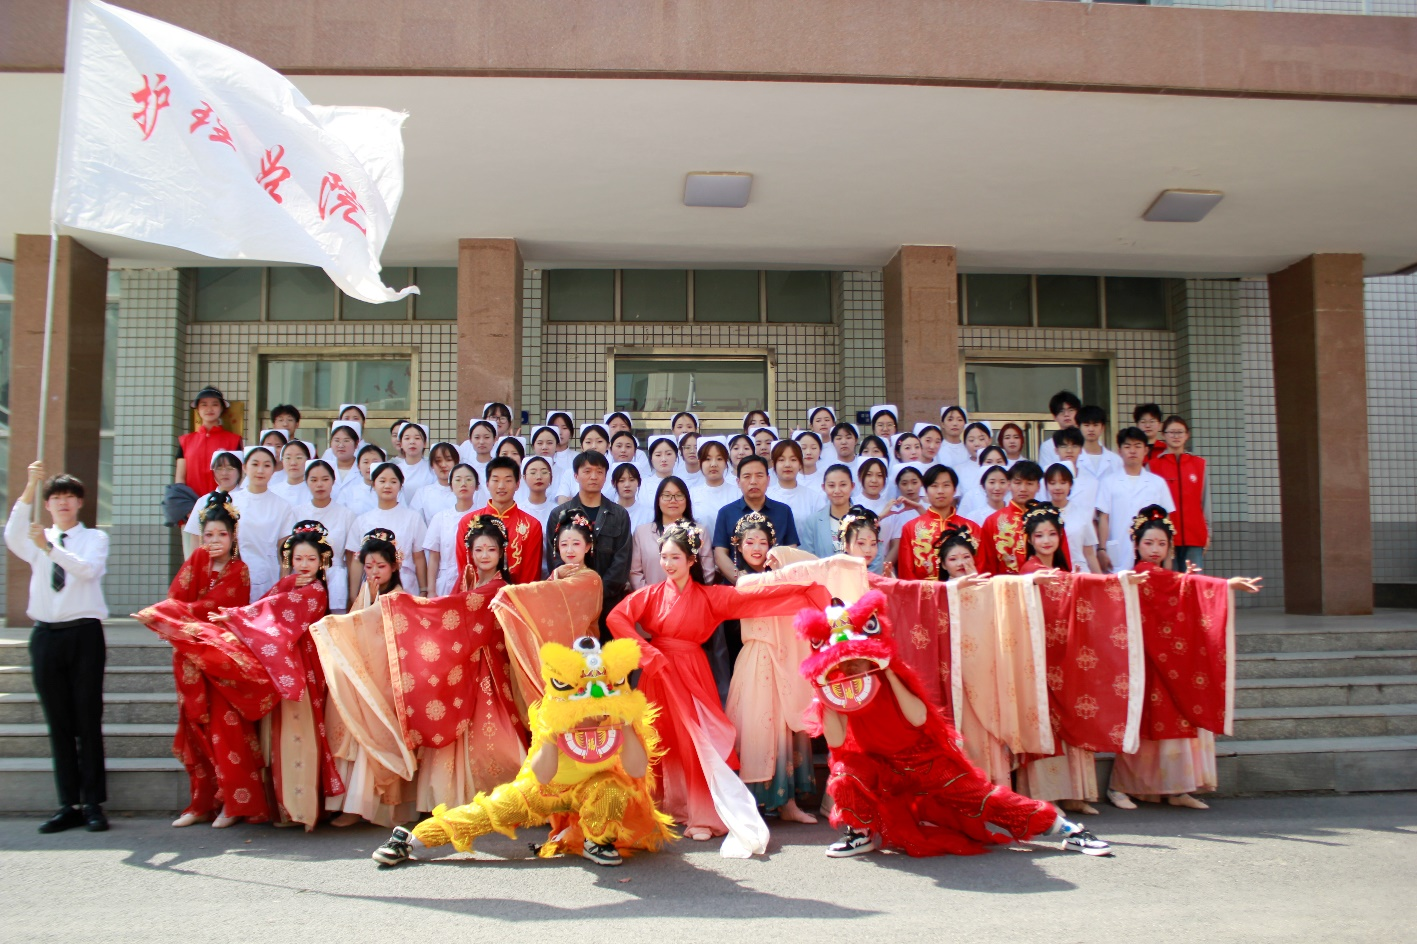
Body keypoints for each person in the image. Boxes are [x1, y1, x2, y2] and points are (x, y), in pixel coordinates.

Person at [798, 592, 1110, 859]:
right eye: (844, 662)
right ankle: (859, 833)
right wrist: (825, 690)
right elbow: (836, 742)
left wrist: (888, 670)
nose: (851, 666)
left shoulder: (892, 675)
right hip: (878, 765)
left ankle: (1067, 830)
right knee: (845, 774)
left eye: (856, 659)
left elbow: (918, 718)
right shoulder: (838, 692)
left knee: (982, 797)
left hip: (924, 759)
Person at [607, 520, 831, 852]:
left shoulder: (709, 597)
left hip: (691, 671)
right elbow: (616, 617)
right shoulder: (650, 595)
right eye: (664, 557)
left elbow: (754, 599)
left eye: (675, 557)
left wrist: (804, 591)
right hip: (658, 670)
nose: (668, 564)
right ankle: (658, 806)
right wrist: (647, 653)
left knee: (697, 741)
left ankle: (702, 814)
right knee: (656, 737)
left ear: (691, 560)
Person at [371, 635, 674, 869]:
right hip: (543, 788)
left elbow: (636, 771)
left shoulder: (619, 716)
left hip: (592, 787)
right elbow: (543, 775)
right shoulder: (553, 711)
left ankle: (597, 841)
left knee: (613, 789)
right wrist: (554, 733)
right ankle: (411, 839)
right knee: (488, 813)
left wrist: (625, 724)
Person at [139, 520, 344, 830]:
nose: (304, 565)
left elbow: (272, 610)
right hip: (273, 661)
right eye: (298, 558)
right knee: (278, 739)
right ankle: (278, 808)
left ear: (322, 561)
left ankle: (303, 810)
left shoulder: (314, 591)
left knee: (300, 737)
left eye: (311, 559)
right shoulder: (286, 584)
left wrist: (233, 615)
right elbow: (268, 603)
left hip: (298, 666)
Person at [1108, 506, 1261, 811]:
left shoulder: (1163, 575)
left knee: (1174, 721)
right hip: (1147, 659)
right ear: (1136, 545)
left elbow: (1178, 590)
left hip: (1169, 656)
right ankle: (1121, 785)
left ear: (1170, 547)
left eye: (1161, 543)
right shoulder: (1139, 574)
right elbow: (1177, 588)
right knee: (1147, 723)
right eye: (1148, 543)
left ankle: (1177, 788)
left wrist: (1188, 585)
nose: (1154, 549)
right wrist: (1224, 585)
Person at [5, 463, 110, 834]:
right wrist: (30, 486)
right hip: (47, 637)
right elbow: (12, 533)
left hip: (84, 635)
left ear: (79, 502)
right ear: (48, 505)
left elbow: (87, 570)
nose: (63, 503)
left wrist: (49, 549)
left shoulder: (94, 538)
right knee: (59, 721)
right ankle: (69, 804)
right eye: (56, 498)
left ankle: (93, 803)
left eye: (69, 497)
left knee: (87, 719)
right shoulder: (37, 538)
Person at [136, 492, 253, 827]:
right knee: (194, 729)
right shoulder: (196, 563)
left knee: (225, 731)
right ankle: (200, 802)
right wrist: (168, 613)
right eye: (209, 535)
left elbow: (212, 608)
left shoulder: (240, 571)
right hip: (189, 656)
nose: (214, 541)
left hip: (220, 658)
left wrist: (165, 614)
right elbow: (176, 596)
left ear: (233, 536)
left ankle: (233, 803)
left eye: (222, 534)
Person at [546, 450, 634, 638]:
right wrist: (577, 589)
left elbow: (622, 560)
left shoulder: (619, 514)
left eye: (599, 472)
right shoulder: (559, 514)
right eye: (587, 471)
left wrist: (597, 591)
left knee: (610, 653)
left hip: (609, 602)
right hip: (570, 601)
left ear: (605, 477)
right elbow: (554, 557)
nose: (593, 476)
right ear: (576, 476)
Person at [452, 455, 543, 586]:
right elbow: (465, 570)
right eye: (495, 480)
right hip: (476, 595)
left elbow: (530, 577)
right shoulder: (468, 522)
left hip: (515, 596)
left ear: (517, 484)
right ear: (487, 484)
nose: (501, 486)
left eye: (508, 480)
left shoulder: (531, 525)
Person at [713, 455, 800, 585]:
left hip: (776, 586)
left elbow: (791, 550)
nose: (753, 481)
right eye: (747, 476)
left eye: (759, 476)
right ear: (738, 481)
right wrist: (742, 580)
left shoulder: (783, 511)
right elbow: (720, 554)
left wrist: (773, 580)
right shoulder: (726, 513)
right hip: (737, 587)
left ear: (768, 480)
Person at [1100, 428, 1176, 573]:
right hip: (1118, 548)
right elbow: (1104, 517)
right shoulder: (1108, 482)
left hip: (1151, 550)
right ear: (1119, 451)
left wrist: (1168, 557)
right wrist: (1102, 549)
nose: (1132, 451)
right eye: (1127, 446)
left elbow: (1167, 522)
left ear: (1146, 450)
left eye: (1137, 446)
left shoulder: (1158, 483)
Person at [349, 461, 428, 599]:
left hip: (406, 586)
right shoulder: (362, 521)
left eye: (393, 481)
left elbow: (419, 557)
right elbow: (356, 561)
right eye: (382, 481)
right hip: (371, 587)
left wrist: (423, 589)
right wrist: (353, 595)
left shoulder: (413, 518)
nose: (387, 486)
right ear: (374, 484)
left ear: (400, 485)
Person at [294, 459, 359, 612]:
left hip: (335, 579)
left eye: (325, 479)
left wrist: (352, 593)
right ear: (306, 482)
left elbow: (351, 557)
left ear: (333, 481)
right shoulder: (297, 513)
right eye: (314, 480)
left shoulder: (346, 515)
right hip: (303, 578)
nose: (319, 485)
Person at [896, 465, 979, 581]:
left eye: (946, 485)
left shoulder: (972, 528)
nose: (940, 491)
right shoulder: (911, 528)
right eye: (934, 486)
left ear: (954, 490)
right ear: (926, 491)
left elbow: (981, 567)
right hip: (924, 591)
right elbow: (906, 573)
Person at [631, 477, 716, 589]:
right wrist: (651, 596)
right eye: (667, 495)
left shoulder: (699, 531)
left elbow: (707, 571)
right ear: (658, 500)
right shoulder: (641, 533)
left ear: (686, 500)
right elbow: (635, 573)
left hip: (690, 596)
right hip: (651, 597)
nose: (673, 500)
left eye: (679, 495)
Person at [1151, 415, 1210, 572]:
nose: (1176, 436)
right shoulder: (1154, 465)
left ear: (1187, 435)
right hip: (1165, 537)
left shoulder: (1199, 464)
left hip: (1195, 536)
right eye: (1171, 432)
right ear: (1163, 435)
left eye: (1180, 432)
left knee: (1194, 581)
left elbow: (1205, 501)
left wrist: (1208, 532)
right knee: (1170, 581)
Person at [175, 385, 243, 509]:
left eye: (215, 404)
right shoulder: (185, 441)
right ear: (197, 409)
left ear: (222, 408)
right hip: (192, 509)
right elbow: (180, 480)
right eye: (204, 404)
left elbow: (240, 476)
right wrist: (186, 510)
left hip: (225, 509)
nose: (209, 409)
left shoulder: (234, 440)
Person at [422, 463, 481, 595]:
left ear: (477, 486)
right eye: (458, 480)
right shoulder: (440, 518)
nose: (463, 484)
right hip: (445, 583)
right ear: (451, 486)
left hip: (475, 582)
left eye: (468, 479)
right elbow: (434, 558)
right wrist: (431, 591)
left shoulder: (483, 517)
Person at [977, 461, 1043, 575]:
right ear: (1009, 484)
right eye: (1018, 483)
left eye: (1029, 483)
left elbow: (1061, 560)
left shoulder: (1048, 518)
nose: (1023, 489)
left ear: (1038, 486)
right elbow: (987, 566)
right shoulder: (993, 521)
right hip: (1007, 584)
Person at [1044, 462, 1102, 574]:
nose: (1058, 487)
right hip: (1051, 574)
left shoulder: (1082, 513)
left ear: (1070, 485)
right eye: (1052, 483)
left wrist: (1101, 580)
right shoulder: (1040, 513)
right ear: (1046, 486)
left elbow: (1089, 554)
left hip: (1079, 573)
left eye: (1063, 482)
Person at [766, 439, 824, 527]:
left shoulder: (814, 498)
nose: (787, 465)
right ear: (774, 464)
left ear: (800, 464)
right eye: (781, 460)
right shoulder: (765, 496)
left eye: (793, 460)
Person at [690, 439, 738, 528]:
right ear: (700, 463)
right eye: (708, 459)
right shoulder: (692, 494)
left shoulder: (738, 493)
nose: (713, 464)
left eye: (719, 459)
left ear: (726, 462)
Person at [410, 441, 462, 523]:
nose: (443, 465)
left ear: (456, 463)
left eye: (448, 460)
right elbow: (415, 523)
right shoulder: (422, 493)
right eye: (438, 461)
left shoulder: (467, 491)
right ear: (432, 465)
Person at [1037, 391, 1082, 470]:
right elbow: (1046, 473)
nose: (1066, 414)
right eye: (1061, 411)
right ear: (1055, 417)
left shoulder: (1088, 441)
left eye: (1071, 410)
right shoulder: (1047, 446)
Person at [610, 460, 654, 530]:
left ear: (639, 482)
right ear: (614, 483)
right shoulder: (608, 513)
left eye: (632, 480)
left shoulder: (649, 515)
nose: (627, 485)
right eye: (622, 481)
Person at [269, 438, 313, 506]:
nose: (293, 463)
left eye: (299, 458)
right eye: (288, 458)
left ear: (308, 460)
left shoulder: (314, 491)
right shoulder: (272, 491)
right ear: (282, 461)